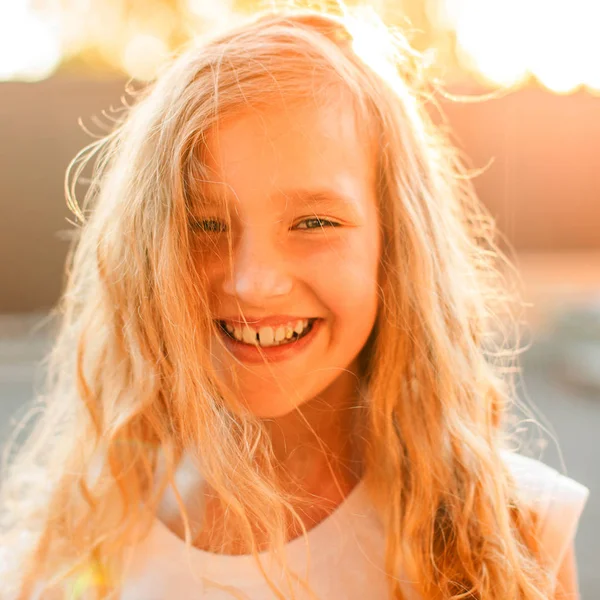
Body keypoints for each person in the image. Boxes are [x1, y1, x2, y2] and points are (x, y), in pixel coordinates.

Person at [0, 4, 589, 600]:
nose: (254, 283)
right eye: (203, 224)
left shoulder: (512, 532)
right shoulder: (85, 530)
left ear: (395, 245)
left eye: (313, 221)